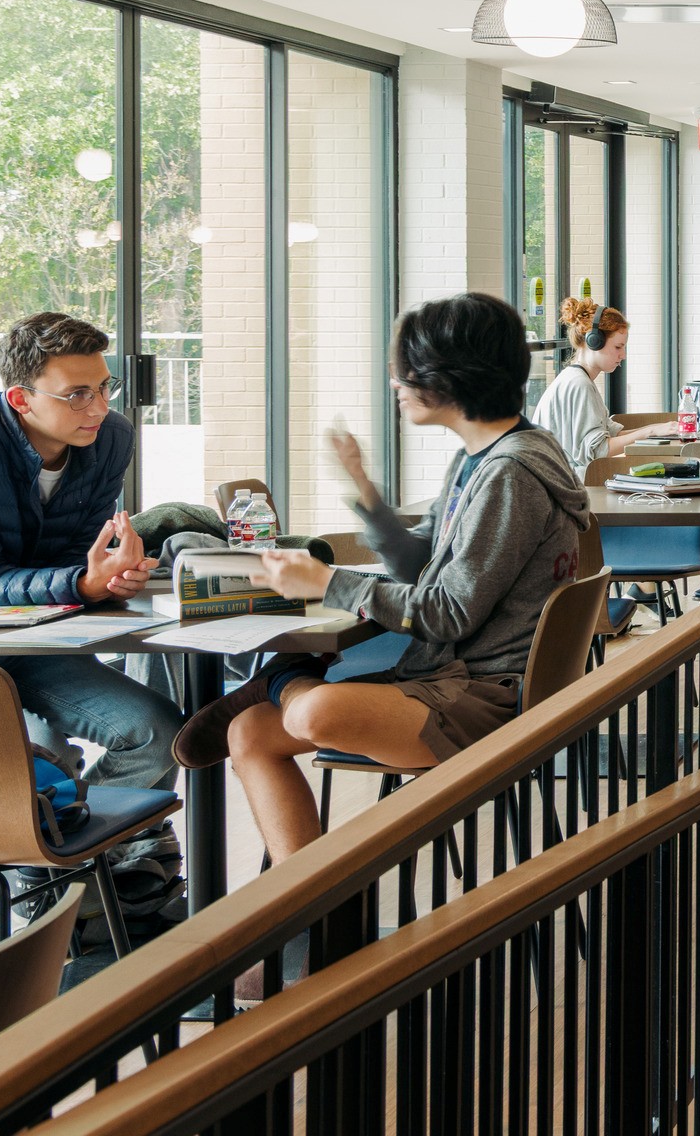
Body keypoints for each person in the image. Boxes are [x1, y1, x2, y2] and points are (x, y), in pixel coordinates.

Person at [171, 293, 590, 876]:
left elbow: (446, 613)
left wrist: (327, 581)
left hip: (484, 693)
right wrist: (367, 492)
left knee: (312, 714)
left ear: (451, 377)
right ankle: (305, 910)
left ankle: (281, 680)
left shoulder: (509, 474)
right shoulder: (485, 457)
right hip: (451, 673)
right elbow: (424, 565)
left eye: (408, 370)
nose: (397, 382)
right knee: (248, 733)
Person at [0, 312, 177, 789]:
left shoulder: (111, 438)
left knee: (160, 734)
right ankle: (62, 854)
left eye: (103, 387)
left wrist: (112, 579)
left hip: (40, 636)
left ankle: (74, 852)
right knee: (41, 767)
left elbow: (79, 559)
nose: (98, 408)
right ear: (20, 399)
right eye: (77, 395)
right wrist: (82, 583)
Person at [533, 298, 678, 474]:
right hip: (572, 486)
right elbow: (598, 450)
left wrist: (662, 430)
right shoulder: (579, 384)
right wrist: (652, 430)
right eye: (618, 347)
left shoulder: (577, 379)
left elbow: (611, 436)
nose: (623, 355)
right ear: (593, 341)